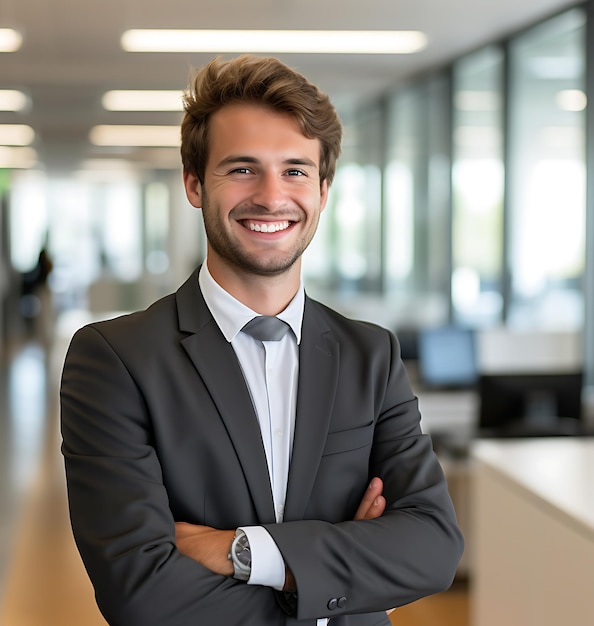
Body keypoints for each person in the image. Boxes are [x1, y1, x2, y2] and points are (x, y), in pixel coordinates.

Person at [60, 55, 464, 626]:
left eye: (296, 170)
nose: (273, 197)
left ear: (323, 190)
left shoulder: (371, 355)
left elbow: (433, 549)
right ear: (195, 184)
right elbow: (140, 592)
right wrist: (343, 573)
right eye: (243, 169)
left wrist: (238, 551)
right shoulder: (116, 359)